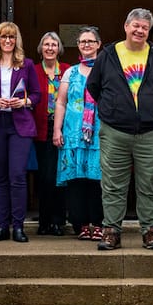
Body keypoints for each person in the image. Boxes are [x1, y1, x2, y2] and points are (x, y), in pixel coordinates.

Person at [87, 8, 153, 250]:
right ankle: (111, 231)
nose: (139, 30)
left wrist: (150, 109)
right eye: (135, 25)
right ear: (126, 27)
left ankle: (150, 230)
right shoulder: (107, 55)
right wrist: (116, 109)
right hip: (115, 132)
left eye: (144, 28)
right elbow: (94, 87)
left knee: (149, 183)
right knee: (113, 183)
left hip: (149, 133)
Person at [0, 22, 39, 242]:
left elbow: (37, 95)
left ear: (16, 40)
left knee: (18, 176)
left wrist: (24, 102)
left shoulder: (27, 64)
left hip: (19, 123)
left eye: (12, 37)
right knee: (0, 177)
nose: (8, 41)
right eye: (4, 37)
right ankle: (2, 226)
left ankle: (18, 227)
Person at [55, 27, 105, 240]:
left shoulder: (106, 69)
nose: (86, 45)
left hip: (98, 134)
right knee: (76, 181)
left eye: (91, 41)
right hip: (73, 134)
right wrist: (56, 129)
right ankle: (81, 224)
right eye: (83, 41)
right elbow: (61, 102)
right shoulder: (70, 72)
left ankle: (98, 223)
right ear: (78, 45)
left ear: (98, 44)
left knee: (97, 180)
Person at [31, 32, 70, 236]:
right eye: (46, 44)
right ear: (41, 48)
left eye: (54, 44)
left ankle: (58, 221)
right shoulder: (34, 70)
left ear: (59, 48)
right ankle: (44, 221)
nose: (50, 48)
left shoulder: (67, 71)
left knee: (60, 177)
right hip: (41, 129)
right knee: (45, 177)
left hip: (63, 129)